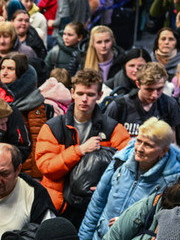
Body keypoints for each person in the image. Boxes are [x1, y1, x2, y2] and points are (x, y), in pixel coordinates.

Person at [35, 69, 131, 223]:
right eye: (80, 94)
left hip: (97, 204)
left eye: (90, 94)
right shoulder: (53, 127)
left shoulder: (113, 128)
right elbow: (46, 167)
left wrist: (105, 185)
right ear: (72, 93)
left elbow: (128, 166)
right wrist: (79, 150)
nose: (84, 99)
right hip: (61, 206)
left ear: (100, 96)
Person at [79, 118, 180, 240]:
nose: (139, 148)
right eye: (138, 141)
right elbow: (98, 200)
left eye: (148, 145)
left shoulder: (171, 181)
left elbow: (162, 227)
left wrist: (127, 224)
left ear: (163, 151)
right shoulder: (121, 161)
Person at [105, 62, 180, 142]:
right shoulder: (119, 106)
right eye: (149, 89)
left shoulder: (169, 104)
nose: (154, 95)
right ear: (138, 84)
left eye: (159, 89)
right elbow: (105, 139)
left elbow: (172, 143)